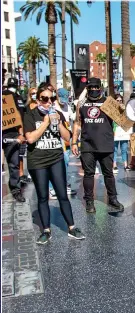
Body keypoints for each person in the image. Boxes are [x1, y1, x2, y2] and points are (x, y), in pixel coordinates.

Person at [23, 85, 85, 244]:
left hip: (56, 158)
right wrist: (45, 122)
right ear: (38, 100)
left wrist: (57, 123)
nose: (48, 102)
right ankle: (46, 230)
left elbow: (67, 137)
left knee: (62, 194)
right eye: (44, 99)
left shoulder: (57, 114)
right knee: (43, 196)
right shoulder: (30, 115)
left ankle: (71, 228)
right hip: (37, 161)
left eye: (51, 99)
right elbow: (30, 139)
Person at [71, 77, 124, 213]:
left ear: (100, 88)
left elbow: (123, 120)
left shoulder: (108, 102)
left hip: (105, 144)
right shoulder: (82, 104)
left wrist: (123, 109)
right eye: (91, 88)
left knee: (108, 173)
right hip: (87, 144)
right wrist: (74, 141)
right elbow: (77, 123)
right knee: (88, 174)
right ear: (87, 89)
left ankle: (113, 199)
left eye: (96, 87)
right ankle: (89, 201)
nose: (94, 90)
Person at [2, 77, 27, 202]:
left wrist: (21, 132)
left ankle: (16, 189)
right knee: (14, 163)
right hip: (11, 133)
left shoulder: (18, 98)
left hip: (12, 134)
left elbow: (20, 116)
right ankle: (15, 189)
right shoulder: (12, 96)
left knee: (14, 163)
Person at [113, 97, 131, 173]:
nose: (119, 102)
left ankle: (125, 164)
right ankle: (114, 165)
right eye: (117, 100)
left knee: (124, 149)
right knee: (115, 149)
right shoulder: (112, 110)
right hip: (115, 131)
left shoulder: (125, 109)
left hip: (124, 132)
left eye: (120, 100)